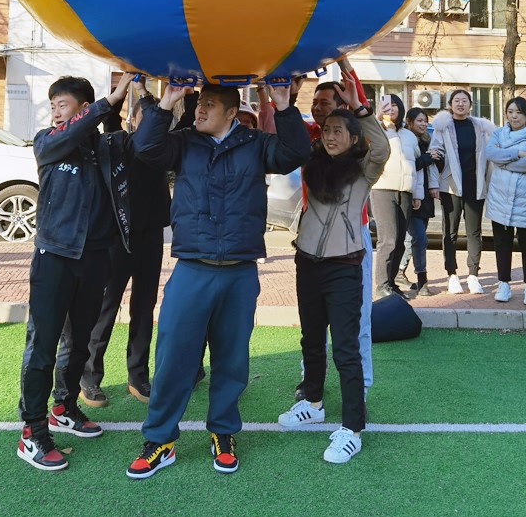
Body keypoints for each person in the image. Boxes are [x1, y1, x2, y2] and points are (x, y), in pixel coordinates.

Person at [125, 79, 310, 479]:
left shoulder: (255, 144)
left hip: (240, 271)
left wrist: (283, 105)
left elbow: (296, 151)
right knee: (173, 358)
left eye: (209, 105)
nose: (200, 110)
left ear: (231, 111)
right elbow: (145, 148)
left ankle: (223, 433)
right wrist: (167, 102)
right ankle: (160, 440)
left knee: (231, 360)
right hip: (192, 266)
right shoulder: (184, 141)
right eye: (200, 104)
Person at [17, 71, 134, 472]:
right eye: (52, 107)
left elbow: (139, 147)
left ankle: (63, 409)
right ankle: (32, 432)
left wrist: (147, 97)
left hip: (95, 258)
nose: (55, 114)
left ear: (82, 109)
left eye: (62, 106)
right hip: (53, 258)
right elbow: (66, 134)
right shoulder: (48, 143)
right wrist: (107, 103)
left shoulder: (104, 148)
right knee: (42, 345)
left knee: (79, 341)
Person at [277, 74, 390, 463]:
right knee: (311, 339)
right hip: (306, 264)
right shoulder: (311, 162)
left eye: (339, 130)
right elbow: (289, 137)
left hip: (344, 268)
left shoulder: (363, 170)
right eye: (326, 130)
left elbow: (383, 147)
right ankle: (312, 401)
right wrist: (282, 97)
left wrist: (357, 106)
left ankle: (353, 427)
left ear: (354, 137)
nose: (330, 135)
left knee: (345, 347)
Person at [56, 77, 171, 410]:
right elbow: (110, 118)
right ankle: (89, 378)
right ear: (134, 121)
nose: (149, 127)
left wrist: (157, 95)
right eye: (143, 120)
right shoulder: (118, 143)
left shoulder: (164, 149)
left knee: (143, 309)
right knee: (104, 310)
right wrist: (130, 85)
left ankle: (138, 376)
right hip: (117, 237)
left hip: (150, 238)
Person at [430, 90, 495, 294]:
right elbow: (434, 154)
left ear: (470, 105)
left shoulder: (480, 127)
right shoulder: (443, 127)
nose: (460, 104)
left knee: (474, 232)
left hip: (475, 186)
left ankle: (473, 275)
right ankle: (452, 274)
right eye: (456, 101)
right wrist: (434, 183)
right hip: (450, 187)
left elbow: (492, 153)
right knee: (450, 232)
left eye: (464, 101)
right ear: (450, 104)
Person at [485, 97, 526, 306]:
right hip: (500, 196)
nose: (514, 116)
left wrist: (504, 162)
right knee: (502, 243)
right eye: (510, 111)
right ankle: (503, 283)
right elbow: (491, 153)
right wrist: (516, 153)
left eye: (518, 112)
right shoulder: (498, 133)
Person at [371, 95, 421, 298]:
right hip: (382, 189)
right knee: (388, 239)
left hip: (406, 192)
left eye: (394, 105)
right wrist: (376, 117)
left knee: (400, 240)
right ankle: (381, 285)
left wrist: (417, 193)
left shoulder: (409, 136)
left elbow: (414, 167)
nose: (390, 109)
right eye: (386, 105)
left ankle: (391, 283)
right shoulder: (376, 130)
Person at [395, 108, 442, 296]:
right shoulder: (404, 140)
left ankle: (399, 271)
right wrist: (427, 158)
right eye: (419, 121)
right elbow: (407, 167)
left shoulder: (427, 141)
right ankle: (422, 280)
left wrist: (437, 158)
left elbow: (434, 166)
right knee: (420, 239)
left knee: (413, 239)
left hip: (425, 198)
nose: (423, 124)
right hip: (411, 196)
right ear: (409, 121)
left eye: (425, 121)